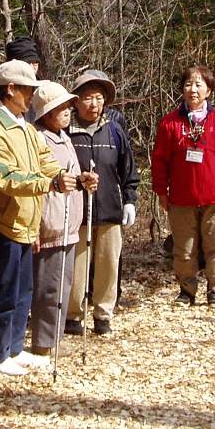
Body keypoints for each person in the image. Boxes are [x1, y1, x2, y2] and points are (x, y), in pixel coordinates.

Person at [0, 59, 73, 377]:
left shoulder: (25, 127)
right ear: (9, 89)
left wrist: (67, 176)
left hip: (26, 223)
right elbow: (4, 177)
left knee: (23, 290)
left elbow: (44, 159)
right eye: (27, 90)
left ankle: (14, 347)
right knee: (1, 291)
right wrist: (49, 184)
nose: (31, 97)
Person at [150, 64, 215, 307]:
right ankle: (186, 289)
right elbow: (159, 160)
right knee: (184, 248)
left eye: (199, 84)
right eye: (188, 84)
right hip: (181, 197)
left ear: (209, 90)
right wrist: (161, 191)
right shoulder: (170, 122)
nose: (193, 89)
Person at [65, 69, 139, 335]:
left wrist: (130, 200)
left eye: (98, 98)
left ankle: (103, 314)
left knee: (108, 263)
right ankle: (73, 315)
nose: (93, 104)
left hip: (109, 209)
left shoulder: (115, 130)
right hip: (76, 212)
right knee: (77, 265)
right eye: (87, 98)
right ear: (75, 100)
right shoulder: (66, 130)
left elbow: (128, 169)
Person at [29, 83, 96, 357]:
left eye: (68, 106)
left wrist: (83, 181)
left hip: (69, 222)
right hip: (51, 222)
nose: (68, 111)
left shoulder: (64, 137)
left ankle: (53, 338)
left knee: (63, 285)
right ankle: (43, 344)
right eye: (60, 108)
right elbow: (36, 181)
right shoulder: (38, 138)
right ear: (45, 114)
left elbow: (69, 175)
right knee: (49, 286)